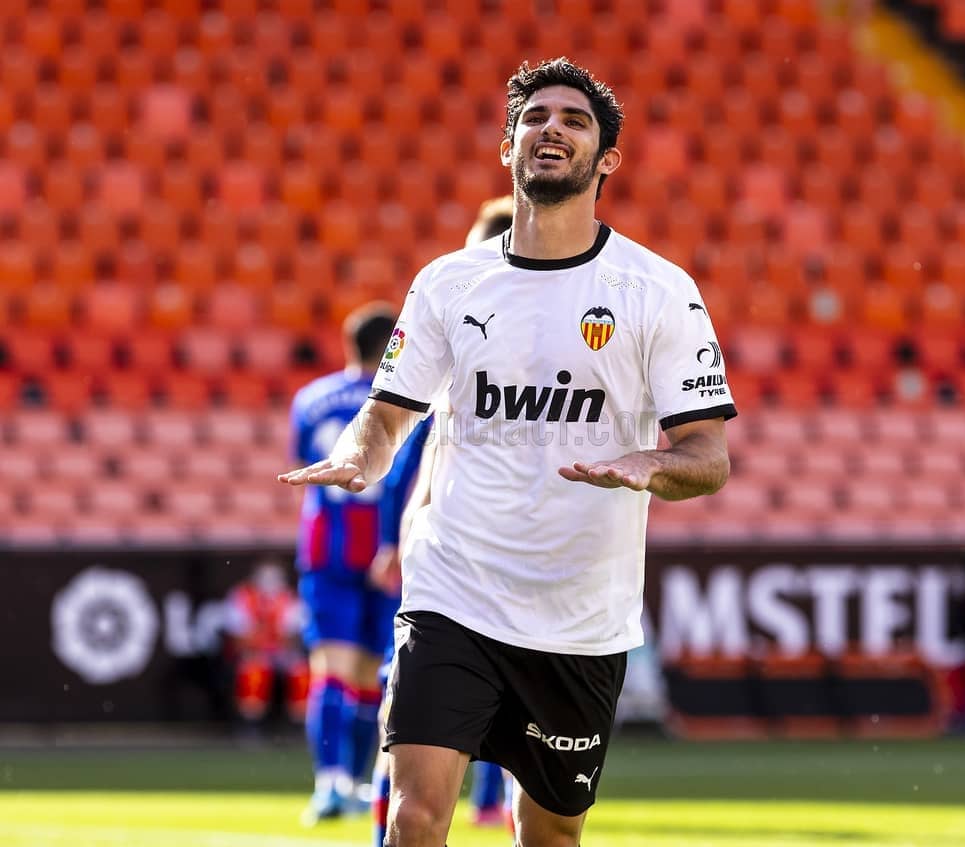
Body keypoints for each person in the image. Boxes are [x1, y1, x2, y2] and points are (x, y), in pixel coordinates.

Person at [281, 57, 735, 847]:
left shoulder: (658, 291)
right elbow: (385, 417)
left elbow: (709, 455)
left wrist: (653, 465)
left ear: (607, 159)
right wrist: (364, 452)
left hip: (580, 614)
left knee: (548, 832)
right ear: (507, 147)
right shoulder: (447, 283)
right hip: (453, 591)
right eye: (536, 118)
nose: (552, 129)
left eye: (574, 120)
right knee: (413, 816)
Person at [368, 196, 517, 847]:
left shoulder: (471, 335)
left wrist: (402, 532)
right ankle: (483, 807)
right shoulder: (464, 340)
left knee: (412, 716)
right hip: (476, 564)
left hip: (472, 562)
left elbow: (418, 452)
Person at [288, 305, 428, 825]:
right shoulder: (407, 400)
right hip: (387, 553)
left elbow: (305, 467)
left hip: (327, 549)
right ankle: (361, 782)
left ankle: (330, 782)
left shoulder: (310, 399)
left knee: (331, 668)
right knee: (375, 674)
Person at [222, 558, 306, 728]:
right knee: (255, 668)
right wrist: (261, 637)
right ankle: (251, 721)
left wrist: (273, 635)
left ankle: (300, 721)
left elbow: (293, 638)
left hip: (282, 653)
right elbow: (238, 639)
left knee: (301, 670)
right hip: (252, 653)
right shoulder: (242, 596)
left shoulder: (289, 598)